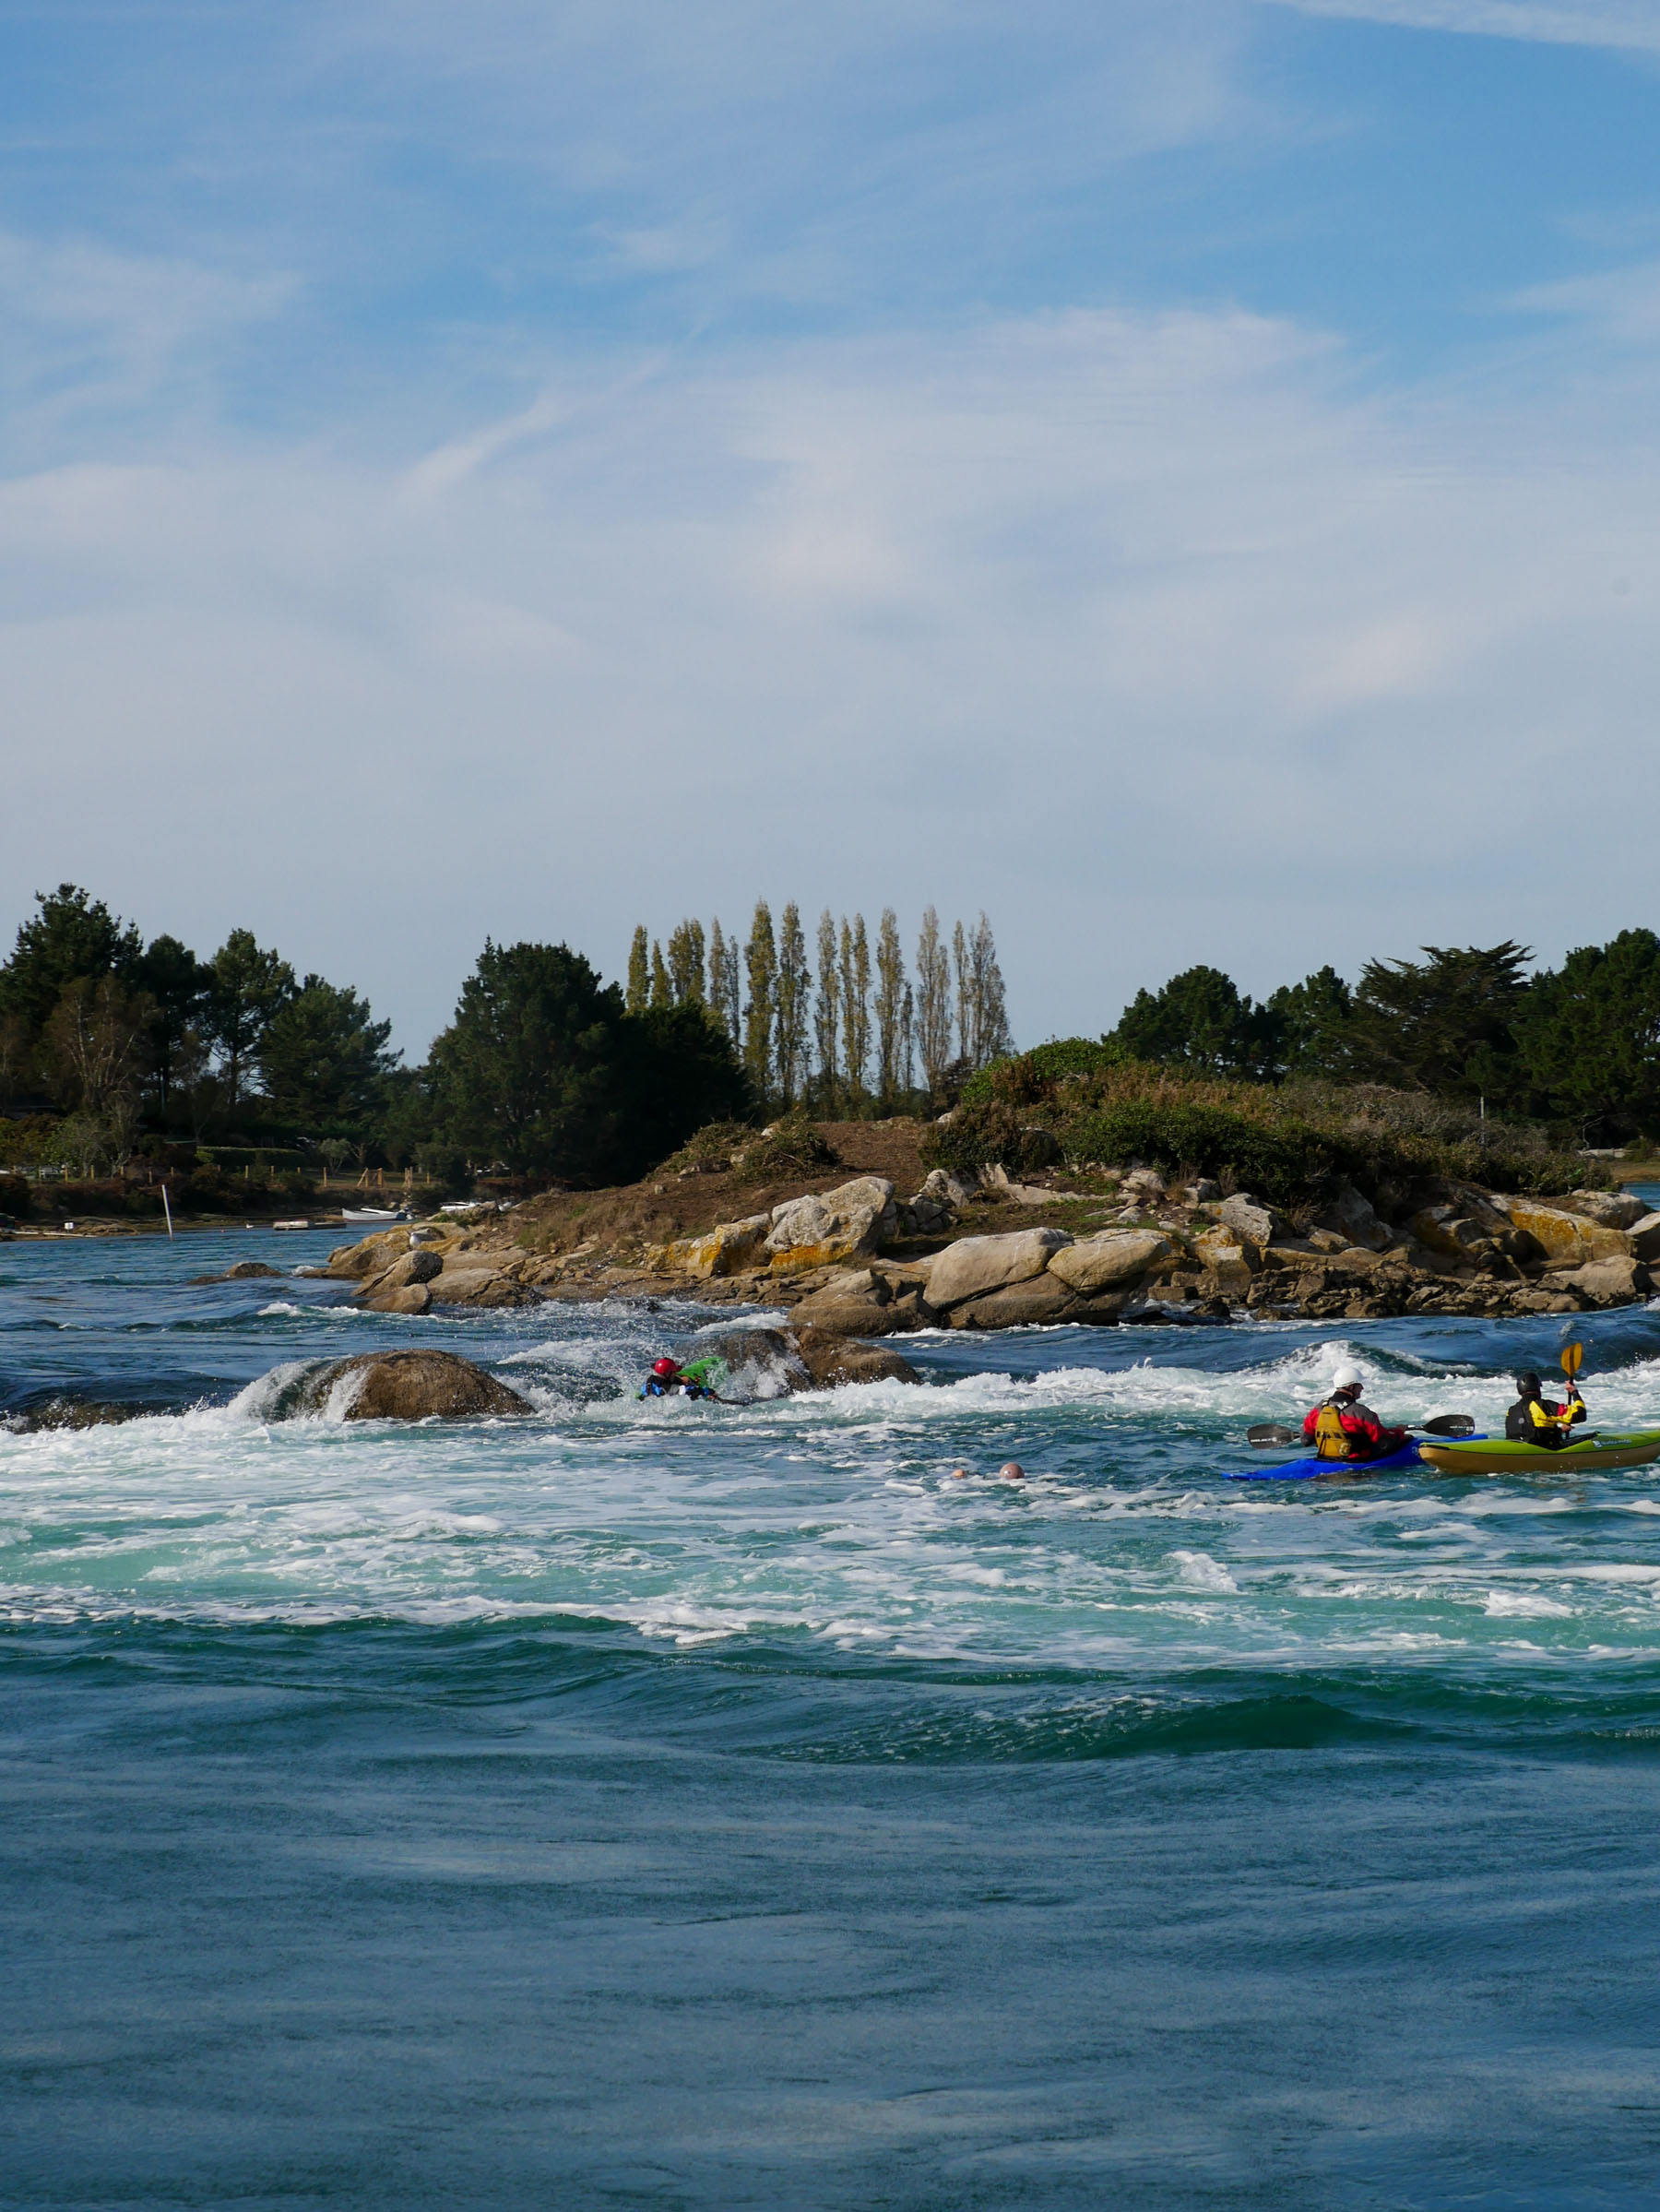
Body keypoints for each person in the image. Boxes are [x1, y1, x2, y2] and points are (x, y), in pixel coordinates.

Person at [1302, 1363, 1410, 1462]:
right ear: (1351, 1387)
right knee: (1408, 1439)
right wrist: (1399, 1432)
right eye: (1359, 1385)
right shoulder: (1361, 1413)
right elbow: (1384, 1443)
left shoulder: (1318, 1409)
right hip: (1356, 1462)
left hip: (1324, 1459)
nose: (1362, 1388)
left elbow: (1306, 1441)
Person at [1504, 1369, 1586, 1449]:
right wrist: (1574, 1392)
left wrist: (1560, 1430)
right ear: (1537, 1387)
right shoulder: (1543, 1405)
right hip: (1543, 1451)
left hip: (1515, 1450)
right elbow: (1580, 1414)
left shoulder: (1511, 1410)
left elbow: (1528, 1432)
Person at [640, 1356, 723, 1401]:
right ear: (667, 1373)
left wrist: (680, 1380)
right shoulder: (668, 1388)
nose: (675, 1373)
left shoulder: (651, 1381)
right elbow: (690, 1391)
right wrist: (708, 1391)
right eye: (674, 1372)